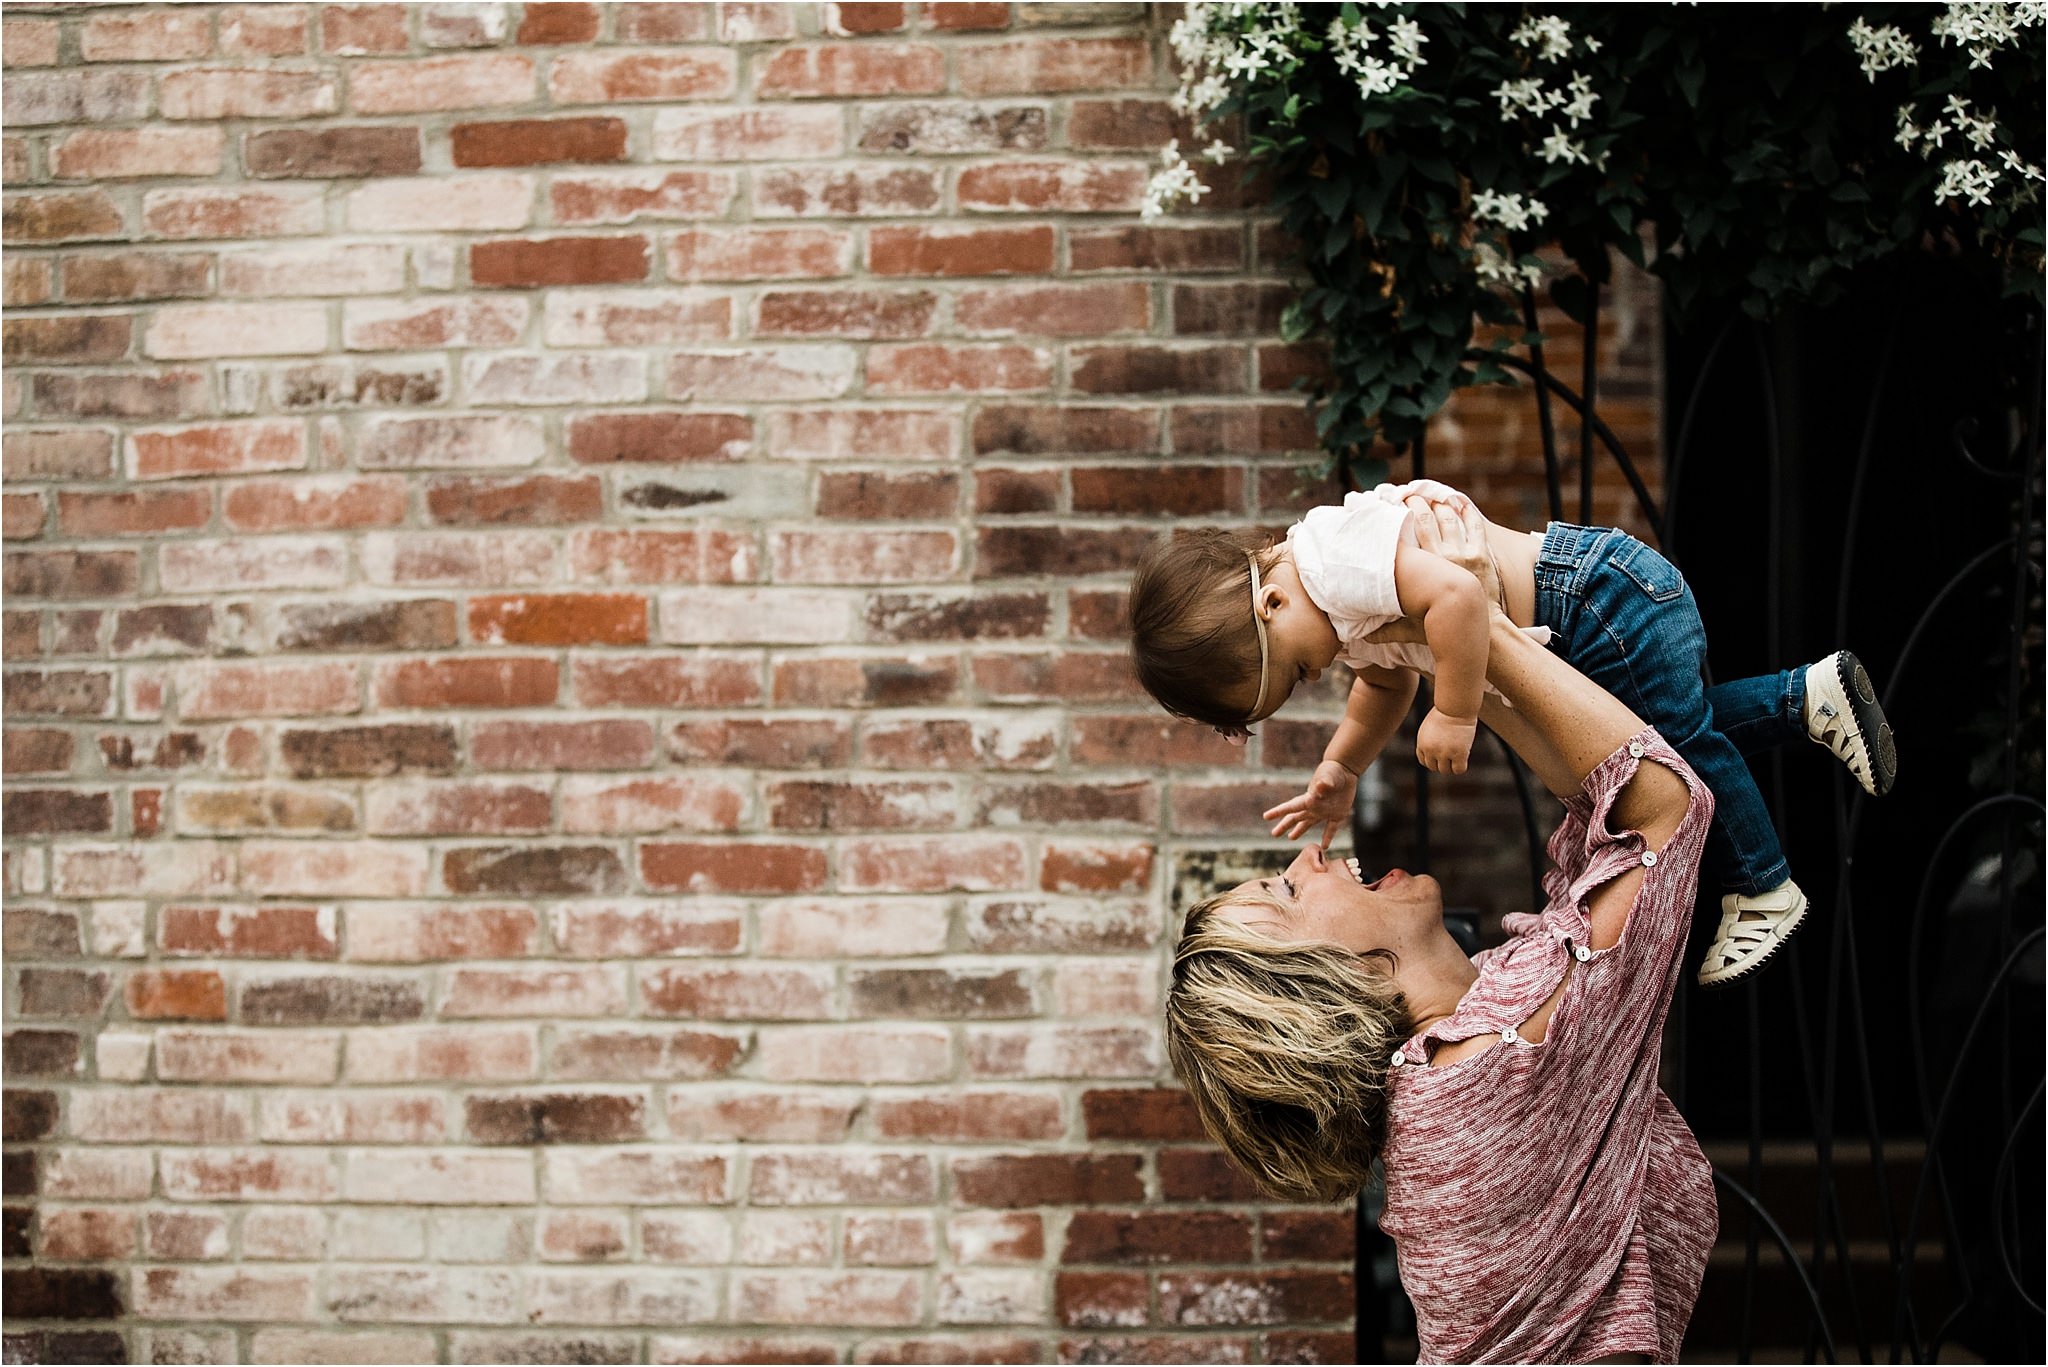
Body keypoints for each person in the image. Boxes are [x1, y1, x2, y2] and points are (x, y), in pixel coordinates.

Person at [1162, 500, 1723, 1362]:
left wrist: (1457, 642)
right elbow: (1660, 810)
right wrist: (1477, 621)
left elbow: (1601, 822)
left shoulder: (1473, 1044)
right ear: (1331, 984)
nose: (1312, 859)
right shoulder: (1498, 1064)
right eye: (1286, 889)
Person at [1127, 480, 1897, 987]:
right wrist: (1342, 763)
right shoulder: (1333, 611)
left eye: (1294, 671)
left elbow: (1459, 597)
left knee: (1673, 757)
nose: (1312, 673)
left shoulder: (1332, 563)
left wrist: (1456, 710)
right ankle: (1806, 699)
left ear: (1269, 605)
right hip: (1584, 611)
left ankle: (1763, 884)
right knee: (1666, 740)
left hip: (1596, 599)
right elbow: (1386, 680)